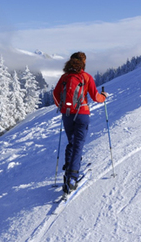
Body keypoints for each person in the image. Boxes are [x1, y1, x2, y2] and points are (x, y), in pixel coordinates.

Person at [53, 52, 107, 193]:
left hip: (67, 114)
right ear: (83, 62)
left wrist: (63, 107)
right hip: (82, 114)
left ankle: (67, 175)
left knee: (71, 142)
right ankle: (72, 178)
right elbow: (95, 96)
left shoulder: (65, 77)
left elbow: (55, 94)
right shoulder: (86, 77)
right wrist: (104, 97)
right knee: (78, 145)